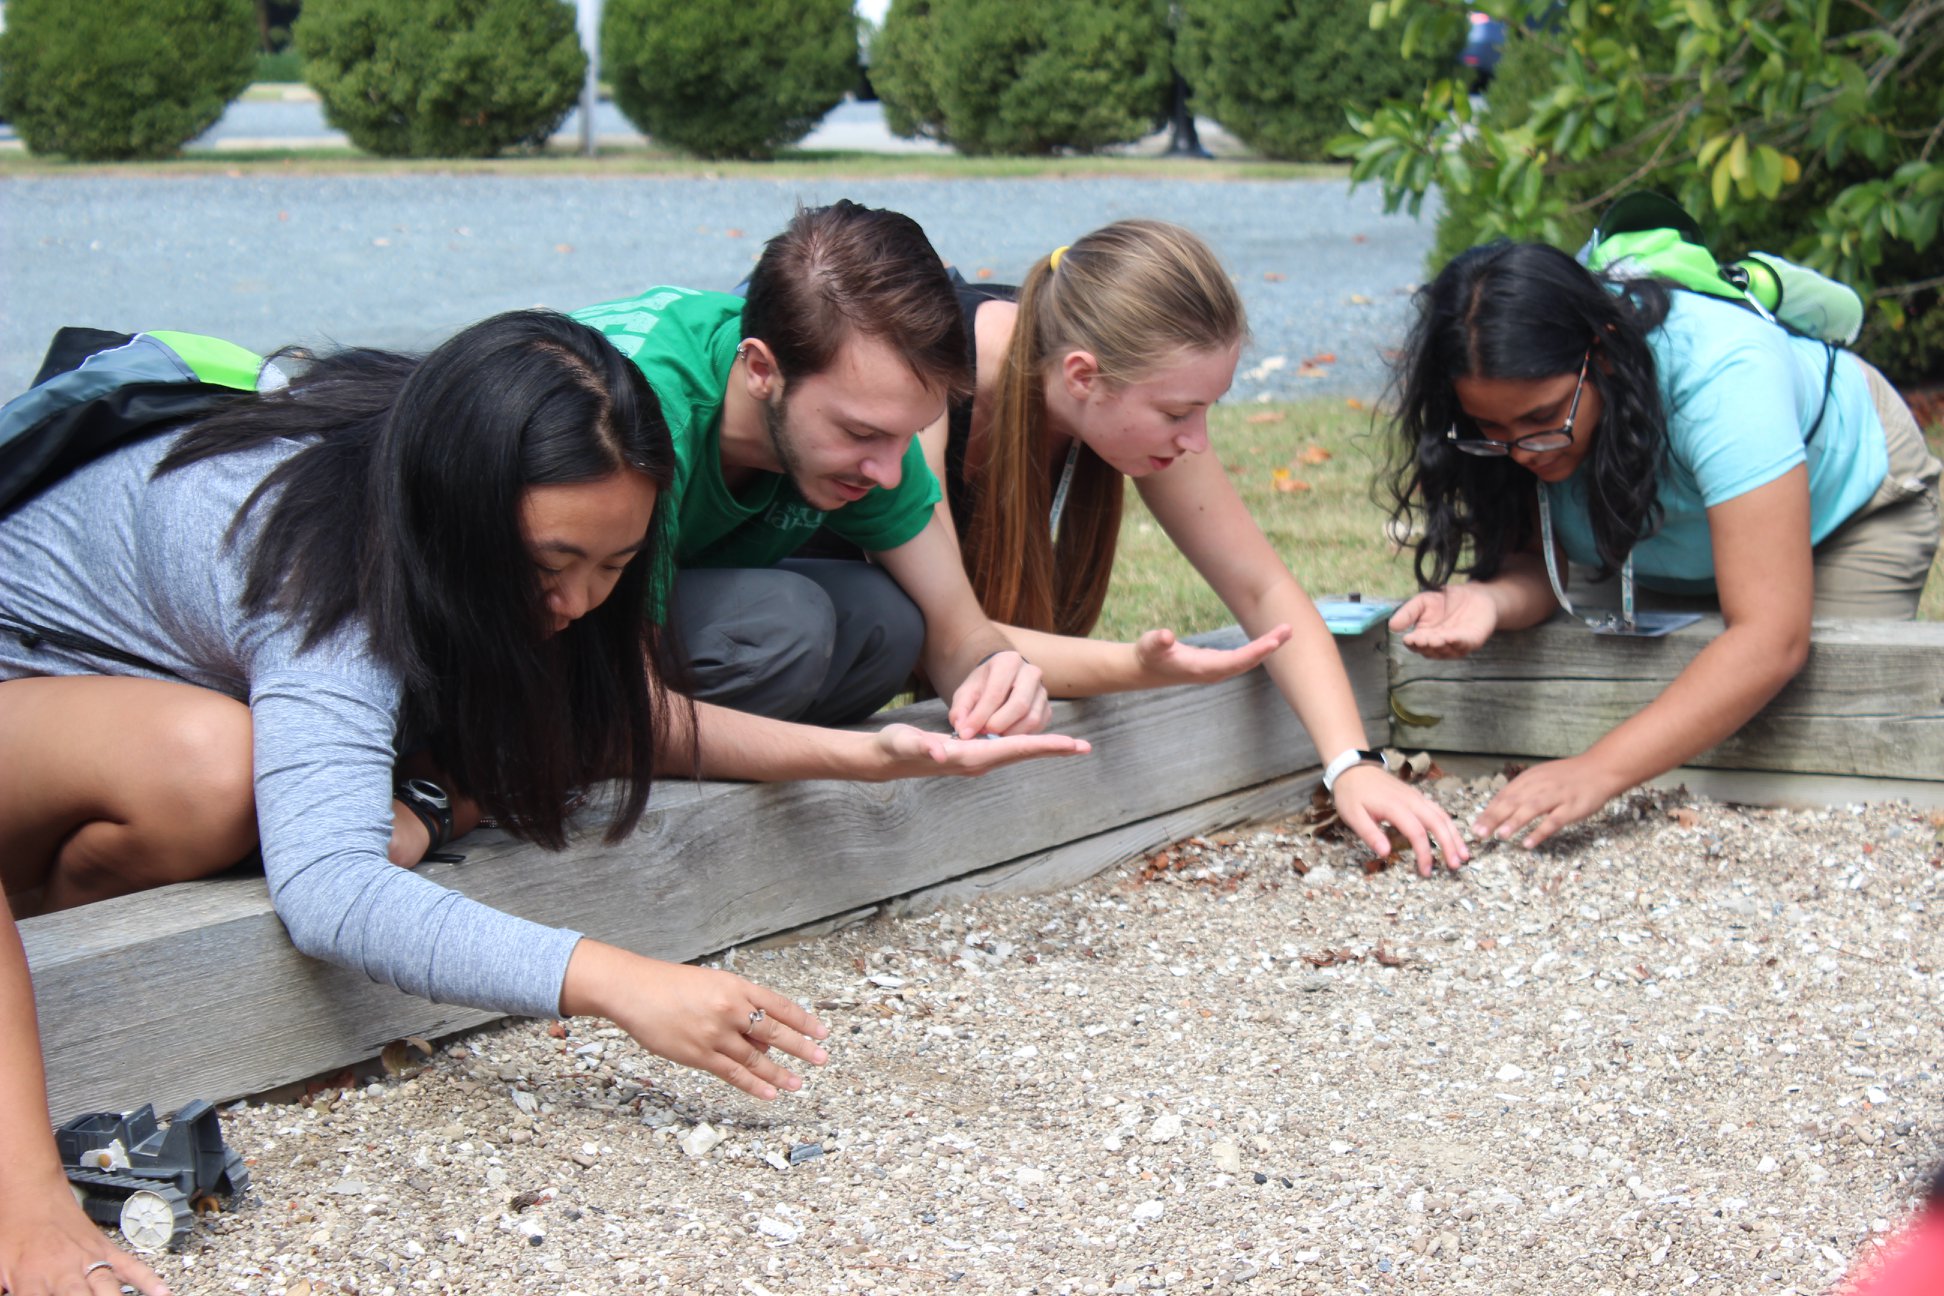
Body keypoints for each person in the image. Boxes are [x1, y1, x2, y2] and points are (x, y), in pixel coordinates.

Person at [0, 308, 1080, 1288]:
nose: (575, 603)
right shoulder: (322, 561)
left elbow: (607, 724)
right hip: (37, 695)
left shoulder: (488, 512)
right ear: (463, 510)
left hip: (147, 701)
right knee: (215, 772)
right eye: (551, 563)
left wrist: (870, 757)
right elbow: (329, 890)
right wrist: (614, 982)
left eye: (612, 565)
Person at [571, 201, 1292, 745]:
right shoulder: (637, 414)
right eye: (861, 434)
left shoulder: (859, 420)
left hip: (646, 616)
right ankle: (571, 750)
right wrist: (855, 761)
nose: (891, 474)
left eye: (909, 437)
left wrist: (995, 675)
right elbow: (630, 691)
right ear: (763, 370)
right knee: (782, 626)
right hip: (532, 628)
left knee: (886, 622)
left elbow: (956, 630)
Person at [904, 218, 1466, 869]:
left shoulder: (1110, 370)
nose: (1196, 440)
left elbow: (1262, 588)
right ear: (1082, 376)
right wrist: (1137, 669)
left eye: (1208, 409)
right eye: (1177, 414)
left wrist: (1352, 763)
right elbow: (942, 635)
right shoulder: (926, 374)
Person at [1385, 240, 1940, 847]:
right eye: (1494, 430)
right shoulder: (1501, 413)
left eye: (1543, 420)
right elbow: (1537, 562)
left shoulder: (1725, 374)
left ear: (1603, 357)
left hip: (1847, 512)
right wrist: (1490, 599)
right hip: (1651, 539)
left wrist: (1597, 771)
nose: (1520, 452)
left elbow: (1771, 638)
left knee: (1820, 737)